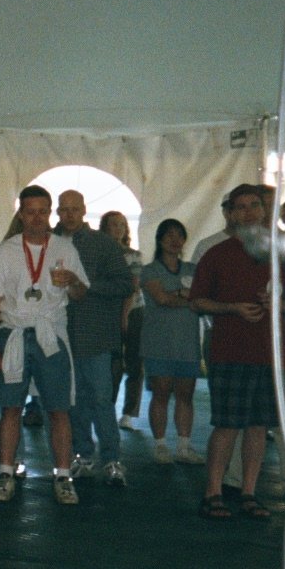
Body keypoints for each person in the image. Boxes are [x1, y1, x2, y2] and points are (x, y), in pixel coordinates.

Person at [0, 185, 89, 506]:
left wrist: (73, 281)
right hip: (12, 333)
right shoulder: (7, 251)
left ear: (50, 212)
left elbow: (81, 294)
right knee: (10, 407)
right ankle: (5, 471)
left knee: (58, 409)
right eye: (30, 211)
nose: (37, 217)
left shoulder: (65, 249)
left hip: (50, 335)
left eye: (43, 211)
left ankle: (63, 475)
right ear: (21, 214)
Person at [190, 185, 281, 520]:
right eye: (240, 207)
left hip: (269, 352)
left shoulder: (281, 253)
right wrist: (231, 308)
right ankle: (213, 491)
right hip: (230, 351)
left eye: (254, 206)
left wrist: (279, 304)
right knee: (226, 424)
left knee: (259, 426)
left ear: (264, 209)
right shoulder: (217, 254)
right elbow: (196, 301)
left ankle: (249, 491)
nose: (248, 213)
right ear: (229, 213)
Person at [56, 190, 135, 487]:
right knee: (73, 401)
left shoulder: (104, 245)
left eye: (74, 209)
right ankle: (82, 455)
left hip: (97, 335)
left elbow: (125, 284)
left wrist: (87, 286)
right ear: (58, 213)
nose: (69, 215)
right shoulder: (50, 244)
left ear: (84, 210)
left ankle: (113, 459)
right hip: (60, 335)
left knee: (102, 398)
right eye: (64, 210)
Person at [139, 218, 203, 465]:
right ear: (159, 239)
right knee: (161, 393)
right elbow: (161, 299)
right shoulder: (150, 270)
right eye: (169, 235)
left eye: (179, 235)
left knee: (186, 395)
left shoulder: (192, 270)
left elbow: (200, 298)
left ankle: (184, 446)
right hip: (158, 342)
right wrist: (185, 295)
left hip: (187, 343)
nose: (175, 240)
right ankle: (161, 444)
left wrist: (181, 296)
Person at [100, 210, 146, 430]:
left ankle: (129, 412)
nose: (118, 229)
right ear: (105, 227)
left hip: (134, 310)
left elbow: (133, 286)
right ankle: (108, 406)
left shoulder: (133, 255)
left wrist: (124, 315)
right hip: (108, 312)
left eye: (121, 225)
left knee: (135, 362)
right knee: (113, 363)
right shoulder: (100, 253)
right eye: (113, 225)